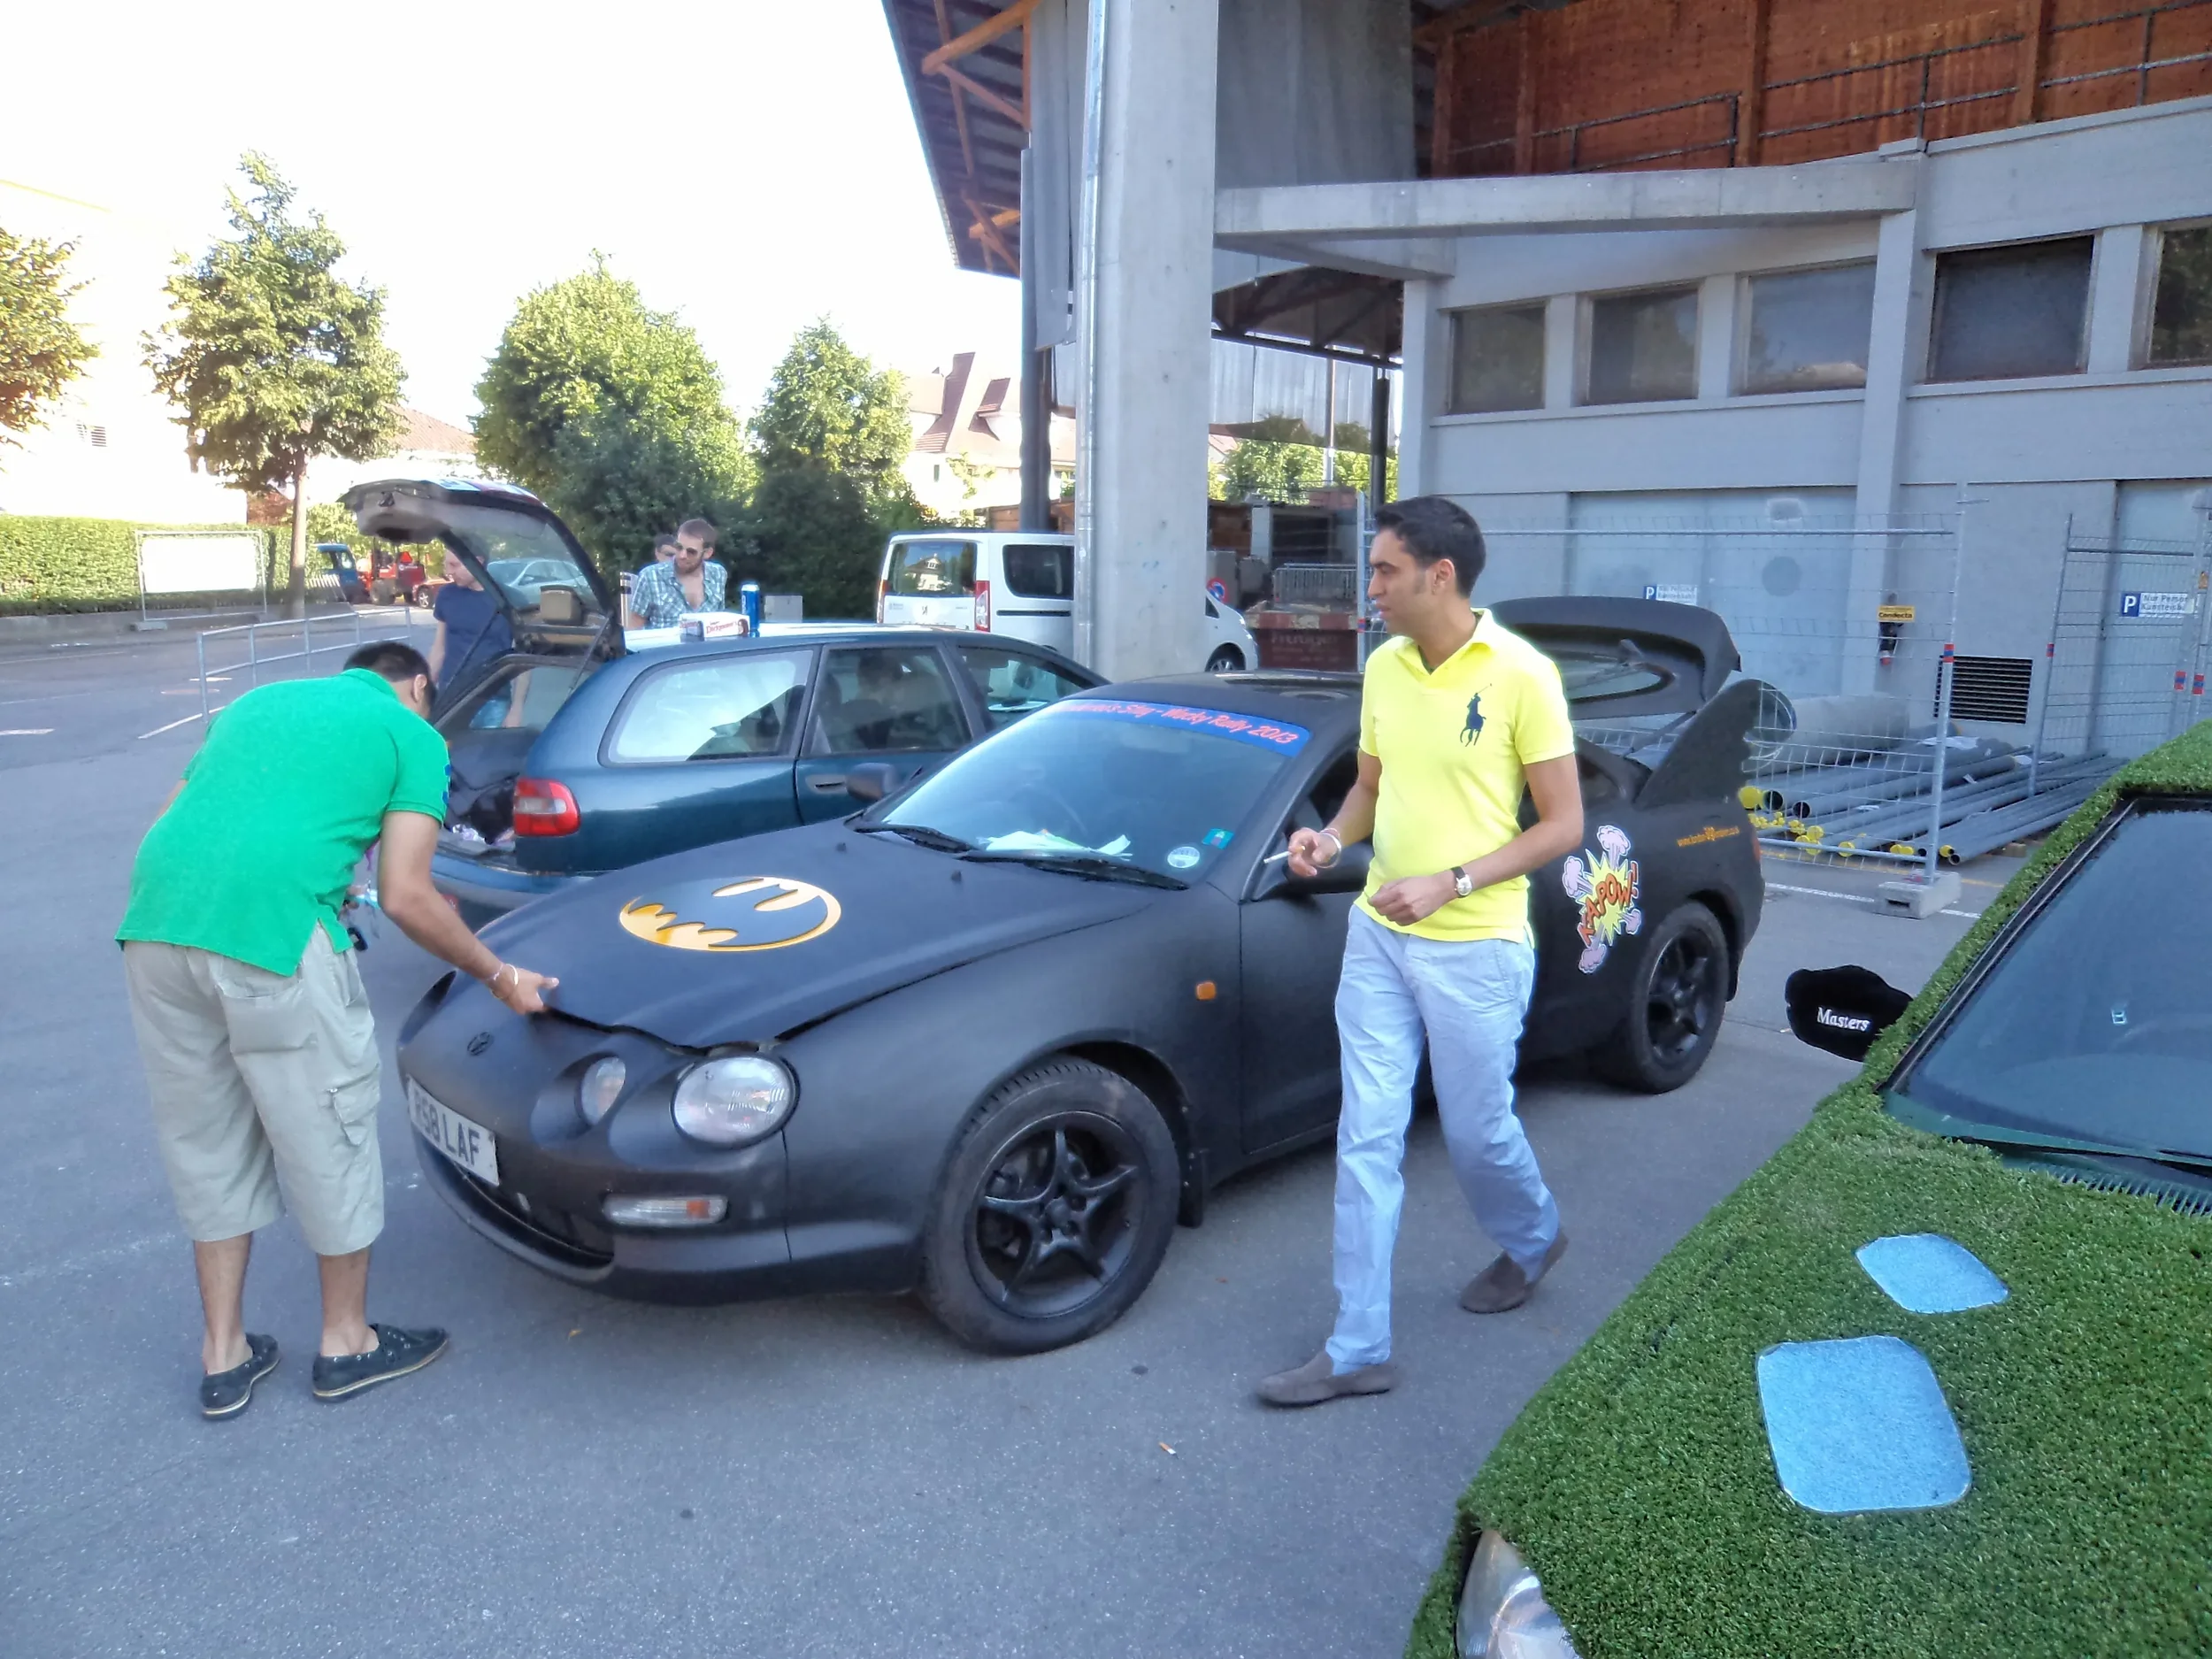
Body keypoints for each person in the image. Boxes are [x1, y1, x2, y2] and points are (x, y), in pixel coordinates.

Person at [116, 641, 558, 1417]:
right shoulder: (412, 735)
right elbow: (408, 895)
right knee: (330, 1127)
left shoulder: (257, 704)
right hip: (274, 940)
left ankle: (224, 1356)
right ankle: (346, 1342)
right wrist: (501, 975)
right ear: (417, 686)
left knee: (207, 1138)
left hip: (157, 927)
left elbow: (175, 821)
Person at [1256, 496, 1585, 1409]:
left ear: (1440, 577)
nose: (1371, 591)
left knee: (1479, 1135)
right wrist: (1329, 839)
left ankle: (1532, 1235)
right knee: (1365, 1137)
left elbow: (1562, 824)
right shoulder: (1386, 668)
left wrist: (1455, 880)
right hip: (1378, 938)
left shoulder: (1522, 675)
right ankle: (1357, 1346)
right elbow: (1369, 787)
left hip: (1475, 946)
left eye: (1384, 572)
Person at [427, 557, 511, 710]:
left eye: (454, 565)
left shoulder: (509, 598)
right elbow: (439, 649)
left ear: (477, 562)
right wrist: (426, 695)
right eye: (446, 565)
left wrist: (516, 709)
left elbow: (522, 655)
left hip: (494, 699)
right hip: (451, 696)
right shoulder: (446, 595)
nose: (448, 572)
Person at [625, 518, 726, 628]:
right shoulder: (650, 576)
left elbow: (719, 621)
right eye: (679, 547)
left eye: (691, 552)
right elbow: (634, 626)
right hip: (664, 644)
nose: (682, 555)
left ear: (707, 553)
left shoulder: (718, 574)